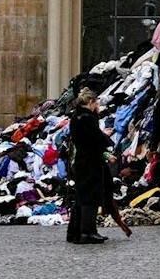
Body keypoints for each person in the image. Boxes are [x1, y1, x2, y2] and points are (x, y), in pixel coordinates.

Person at [67, 87, 115, 245]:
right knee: (91, 198)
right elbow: (95, 138)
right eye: (96, 102)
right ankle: (88, 232)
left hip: (82, 161)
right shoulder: (87, 118)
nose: (97, 105)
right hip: (90, 162)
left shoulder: (77, 116)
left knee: (81, 197)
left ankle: (75, 231)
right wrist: (107, 139)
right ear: (90, 102)